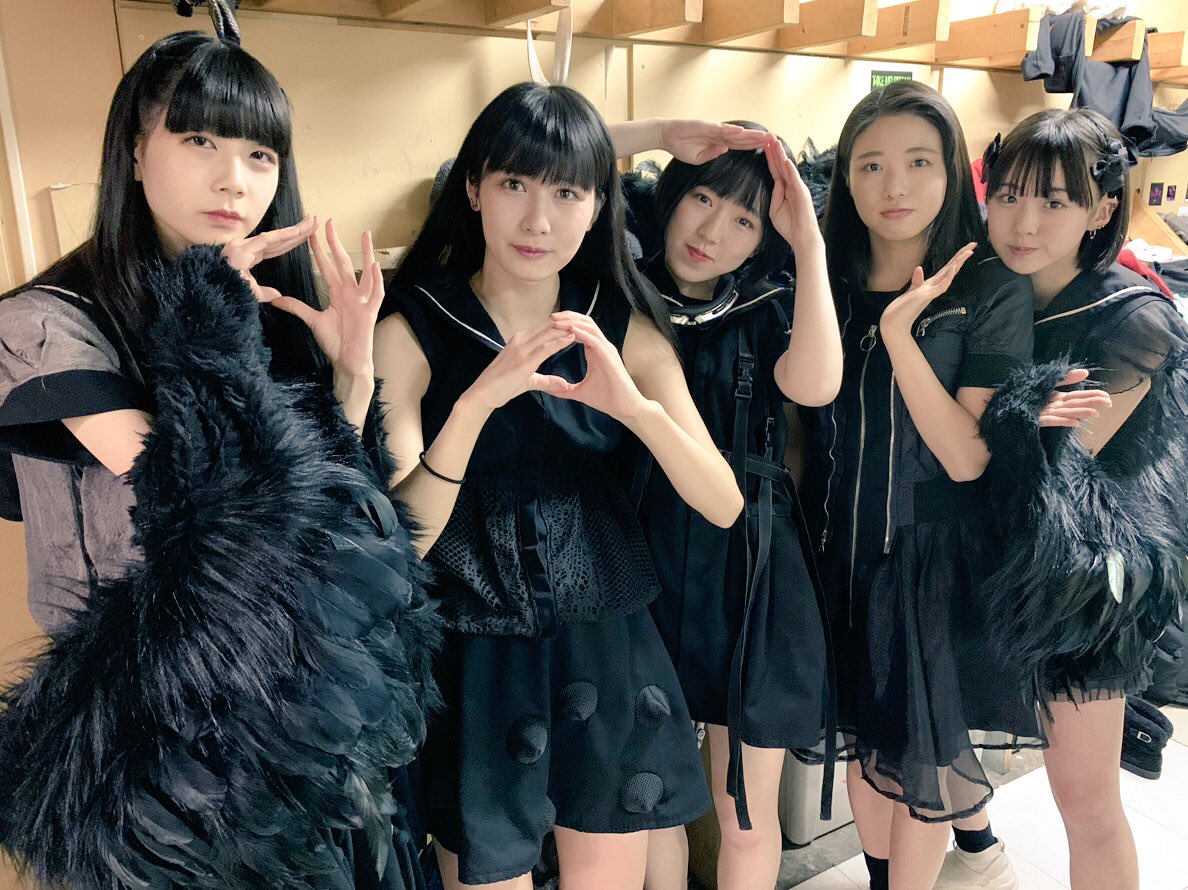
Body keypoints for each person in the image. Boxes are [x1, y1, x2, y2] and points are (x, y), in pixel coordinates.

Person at [0, 30, 436, 889]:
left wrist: (351, 379)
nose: (235, 179)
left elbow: (342, 530)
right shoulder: (42, 325)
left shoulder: (256, 306)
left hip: (296, 711)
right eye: (199, 139)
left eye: (260, 154)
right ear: (134, 148)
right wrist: (211, 320)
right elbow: (217, 513)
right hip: (154, 752)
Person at [373, 82, 744, 890]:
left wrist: (636, 410)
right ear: (473, 188)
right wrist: (474, 406)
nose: (538, 220)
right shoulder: (413, 328)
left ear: (598, 204)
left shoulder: (620, 323)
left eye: (567, 193)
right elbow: (401, 540)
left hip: (602, 638)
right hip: (471, 647)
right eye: (514, 184)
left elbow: (722, 502)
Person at [800, 80, 1041, 890]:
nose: (894, 186)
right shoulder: (824, 280)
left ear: (952, 170)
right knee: (864, 754)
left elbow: (968, 457)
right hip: (834, 548)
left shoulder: (989, 287)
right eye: (870, 165)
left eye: (918, 162)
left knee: (920, 765)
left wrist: (901, 335)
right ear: (845, 178)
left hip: (930, 557)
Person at [608, 118, 841, 890]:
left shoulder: (769, 305)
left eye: (745, 219)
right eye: (703, 198)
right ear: (673, 191)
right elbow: (548, 154)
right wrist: (655, 130)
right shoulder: (619, 283)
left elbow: (817, 386)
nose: (712, 232)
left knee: (743, 811)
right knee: (650, 803)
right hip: (637, 556)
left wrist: (809, 245)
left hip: (750, 566)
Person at [977, 108, 1188, 890]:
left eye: (1055, 201)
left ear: (1100, 210)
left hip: (1081, 588)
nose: (1024, 222)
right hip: (988, 556)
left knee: (1086, 801)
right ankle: (977, 848)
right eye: (1009, 194)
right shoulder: (989, 286)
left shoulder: (1135, 318)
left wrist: (1000, 416)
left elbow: (1063, 465)